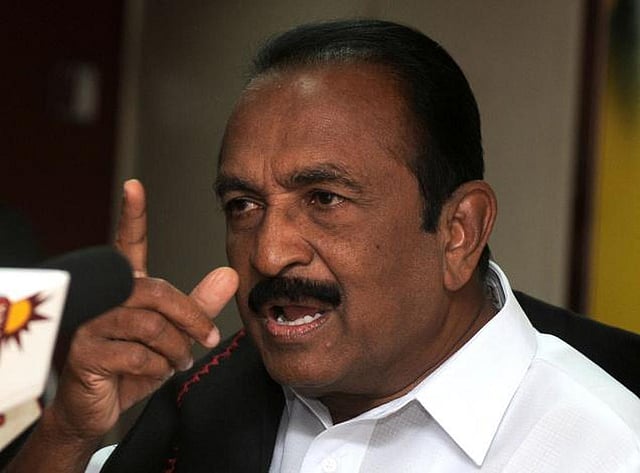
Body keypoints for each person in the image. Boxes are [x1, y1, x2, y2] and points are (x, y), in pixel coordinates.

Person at [5, 19, 640, 473]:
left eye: (324, 199)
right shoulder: (200, 410)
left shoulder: (605, 447)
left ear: (458, 232)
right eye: (244, 205)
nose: (269, 253)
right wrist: (69, 432)